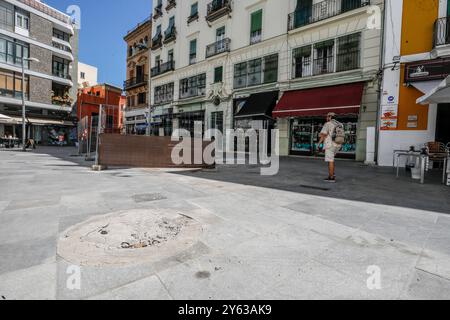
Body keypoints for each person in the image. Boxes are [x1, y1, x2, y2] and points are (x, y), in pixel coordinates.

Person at [317, 113, 343, 183]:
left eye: (327, 116)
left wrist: (318, 144)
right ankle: (332, 174)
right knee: (331, 159)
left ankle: (331, 177)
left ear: (330, 117)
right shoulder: (340, 124)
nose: (326, 118)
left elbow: (323, 135)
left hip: (330, 145)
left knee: (330, 160)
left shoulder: (328, 124)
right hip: (338, 144)